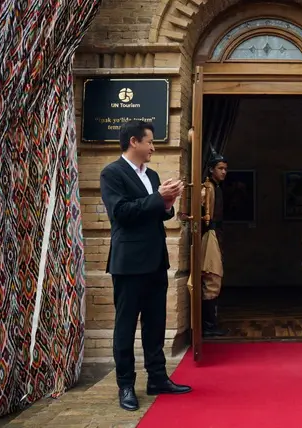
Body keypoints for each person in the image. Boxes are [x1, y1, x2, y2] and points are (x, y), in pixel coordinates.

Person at [100, 120, 192, 412]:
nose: (153, 147)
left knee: (156, 323)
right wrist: (157, 198)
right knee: (125, 327)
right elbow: (121, 212)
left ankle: (158, 378)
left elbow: (160, 213)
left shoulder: (151, 175)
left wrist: (168, 202)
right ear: (134, 142)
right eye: (150, 141)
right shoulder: (112, 173)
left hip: (156, 261)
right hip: (128, 264)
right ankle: (126, 385)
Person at [187, 149, 228, 337]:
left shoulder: (217, 187)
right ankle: (208, 325)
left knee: (214, 279)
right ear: (211, 169)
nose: (224, 172)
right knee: (212, 278)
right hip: (209, 234)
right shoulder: (208, 187)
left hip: (216, 234)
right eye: (220, 168)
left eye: (225, 168)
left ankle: (210, 323)